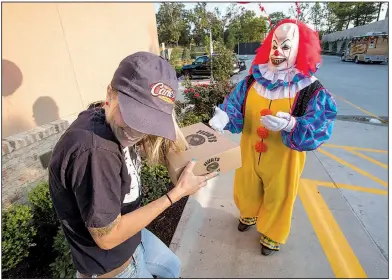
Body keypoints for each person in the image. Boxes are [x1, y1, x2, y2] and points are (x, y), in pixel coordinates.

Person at [49, 52, 218, 278]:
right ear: (110, 92)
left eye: (150, 121)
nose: (137, 132)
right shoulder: (95, 152)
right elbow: (107, 238)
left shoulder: (105, 115)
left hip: (134, 239)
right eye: (134, 117)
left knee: (173, 268)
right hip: (115, 266)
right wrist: (176, 194)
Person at [209, 19, 337, 256]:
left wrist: (292, 124)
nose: (277, 52)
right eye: (275, 45)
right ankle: (248, 214)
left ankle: (272, 233)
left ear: (299, 50)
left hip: (284, 158)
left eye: (286, 46)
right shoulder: (251, 81)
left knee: (280, 194)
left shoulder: (309, 88)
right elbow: (234, 105)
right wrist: (224, 117)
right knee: (246, 185)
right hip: (249, 150)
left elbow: (321, 124)